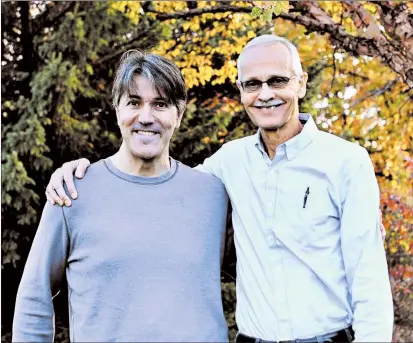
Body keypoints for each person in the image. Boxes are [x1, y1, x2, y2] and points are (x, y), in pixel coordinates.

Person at [44, 35, 394, 342]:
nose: (266, 94)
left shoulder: (346, 161)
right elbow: (158, 183)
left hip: (328, 339)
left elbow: (369, 279)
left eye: (278, 80)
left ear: (300, 83)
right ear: (241, 91)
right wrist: (80, 173)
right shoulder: (229, 162)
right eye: (253, 84)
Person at [12, 51, 229, 342]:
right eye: (134, 103)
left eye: (161, 104)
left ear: (178, 114)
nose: (146, 117)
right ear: (117, 110)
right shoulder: (72, 192)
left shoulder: (213, 194)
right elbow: (34, 298)